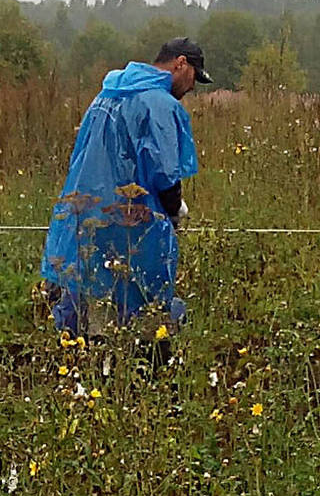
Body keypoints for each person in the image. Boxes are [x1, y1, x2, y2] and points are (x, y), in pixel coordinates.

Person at [42, 36, 208, 338]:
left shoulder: (108, 92)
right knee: (141, 293)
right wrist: (175, 210)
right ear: (181, 64)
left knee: (88, 282)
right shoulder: (160, 104)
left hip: (88, 208)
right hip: (134, 216)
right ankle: (140, 350)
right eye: (195, 76)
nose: (193, 87)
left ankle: (80, 347)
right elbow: (164, 171)